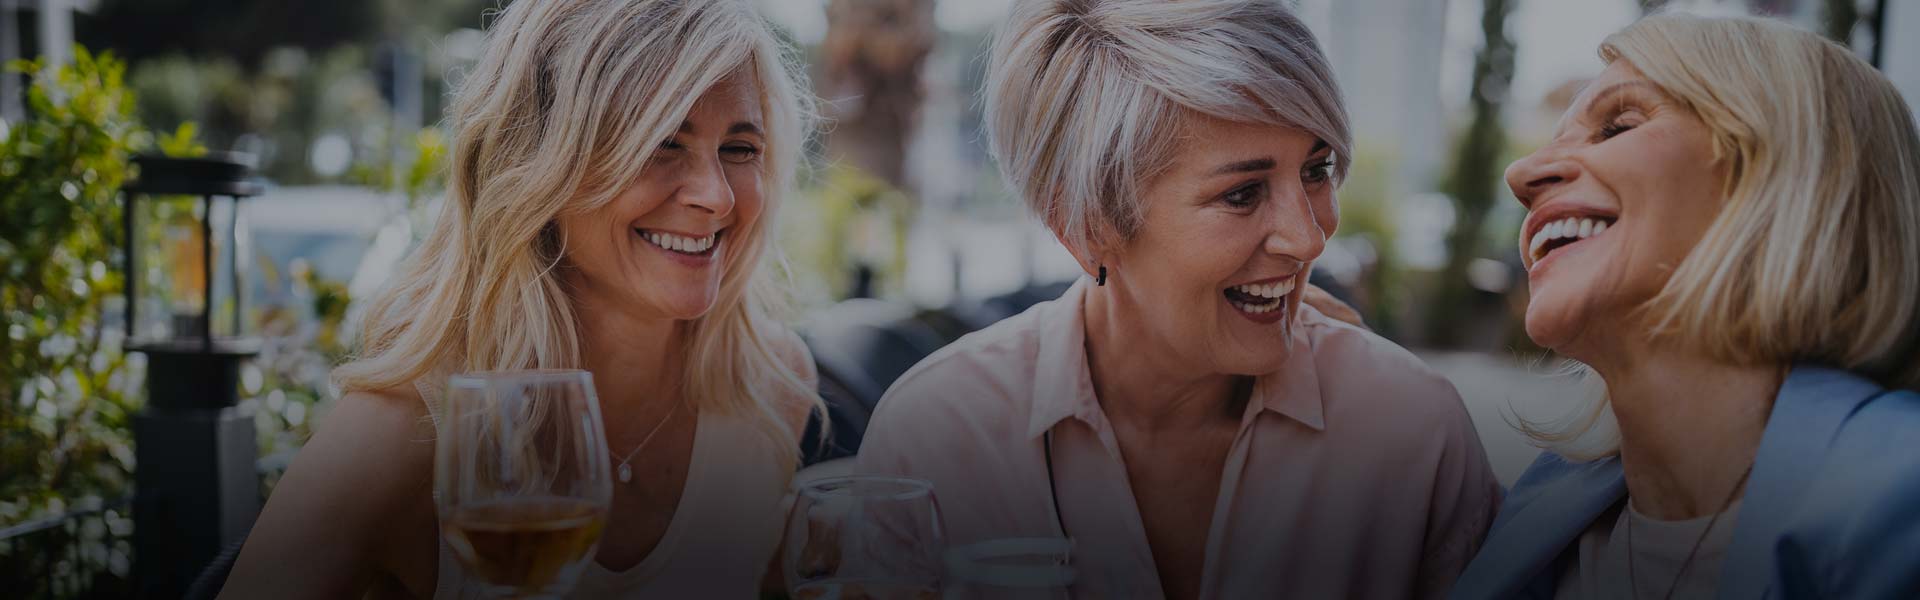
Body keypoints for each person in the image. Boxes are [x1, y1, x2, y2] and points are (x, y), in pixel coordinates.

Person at [854, 1, 1502, 598]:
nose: (1308, 239)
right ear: (1086, 228)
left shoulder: (1414, 435)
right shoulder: (934, 442)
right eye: (1242, 193)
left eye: (1316, 169)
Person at [219, 0, 821, 597]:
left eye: (740, 149)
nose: (717, 196)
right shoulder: (406, 433)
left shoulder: (771, 386)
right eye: (662, 142)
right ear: (542, 166)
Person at [1450, 12, 1920, 600]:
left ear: (1781, 178)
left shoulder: (1902, 501)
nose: (1521, 174)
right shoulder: (1539, 511)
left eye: (1617, 127)